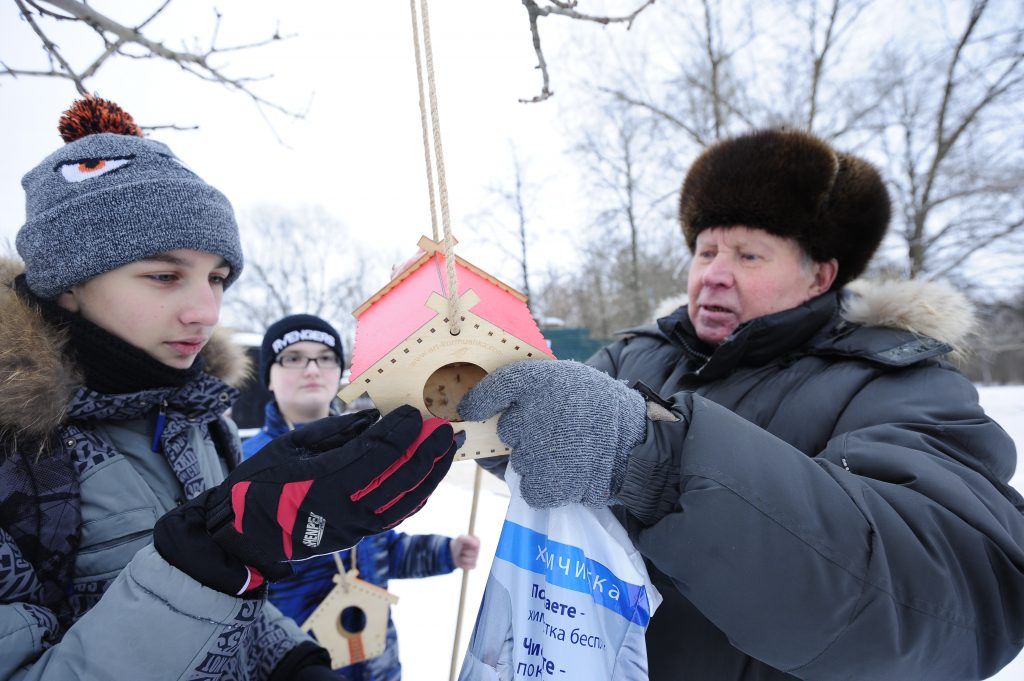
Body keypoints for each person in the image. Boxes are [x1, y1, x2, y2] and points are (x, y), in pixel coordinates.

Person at [460, 128, 1024, 680]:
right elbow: (537, 439)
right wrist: (460, 367)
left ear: (819, 276)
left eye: (749, 255)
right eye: (705, 251)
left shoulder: (897, 383)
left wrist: (653, 461)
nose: (714, 276)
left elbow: (954, 603)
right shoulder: (637, 356)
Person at [0, 97, 458, 681]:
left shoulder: (195, 420)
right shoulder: (17, 452)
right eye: (165, 276)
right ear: (67, 283)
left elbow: (236, 610)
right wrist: (212, 557)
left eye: (217, 278)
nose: (206, 310)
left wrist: (293, 662)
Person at [243, 314, 481, 680]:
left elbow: (381, 550)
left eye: (325, 357)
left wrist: (444, 553)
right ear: (268, 376)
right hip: (293, 666)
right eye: (293, 357)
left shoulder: (368, 449)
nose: (312, 369)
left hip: (376, 665)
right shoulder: (243, 463)